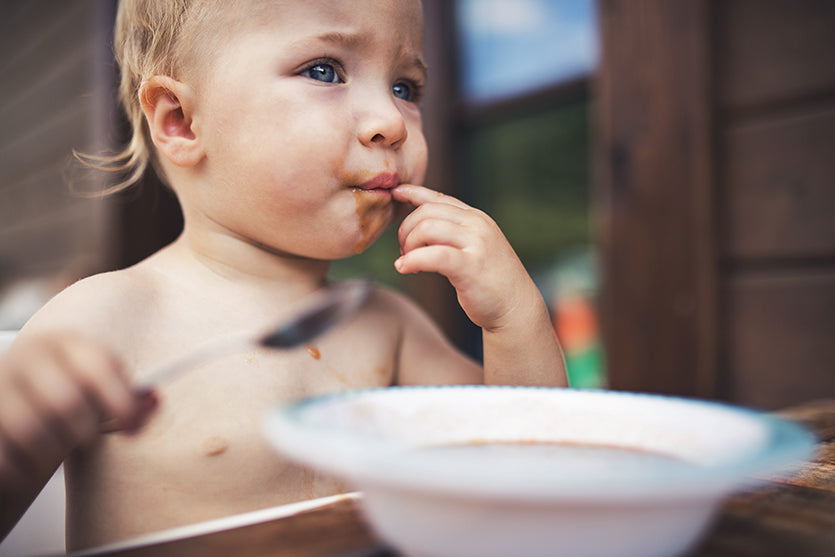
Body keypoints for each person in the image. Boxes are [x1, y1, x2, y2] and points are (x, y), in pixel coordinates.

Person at [2, 0, 567, 550]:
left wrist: (515, 320)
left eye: (405, 87)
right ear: (181, 121)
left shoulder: (389, 327)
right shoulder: (107, 318)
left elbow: (527, 481)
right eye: (324, 71)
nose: (391, 121)